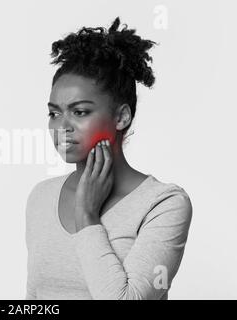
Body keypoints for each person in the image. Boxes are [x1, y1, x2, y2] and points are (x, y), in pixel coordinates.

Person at [25, 17, 193, 300]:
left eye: (79, 112)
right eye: (54, 113)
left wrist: (87, 216)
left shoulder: (164, 204)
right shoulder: (41, 197)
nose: (62, 127)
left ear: (121, 116)